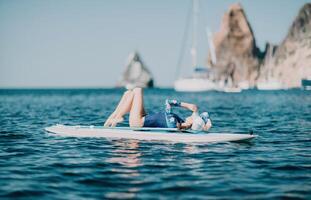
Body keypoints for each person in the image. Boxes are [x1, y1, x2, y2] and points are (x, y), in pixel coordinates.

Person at [104, 88, 212, 131]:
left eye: (194, 117)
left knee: (137, 90)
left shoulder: (178, 124)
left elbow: (180, 127)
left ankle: (118, 117)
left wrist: (195, 125)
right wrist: (187, 105)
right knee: (129, 93)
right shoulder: (179, 120)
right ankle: (112, 118)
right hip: (144, 116)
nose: (193, 115)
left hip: (138, 122)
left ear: (193, 122)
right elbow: (168, 102)